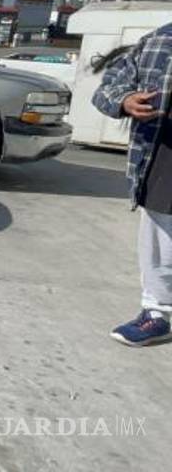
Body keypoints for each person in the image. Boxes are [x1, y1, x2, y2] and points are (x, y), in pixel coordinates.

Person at [93, 21, 172, 346]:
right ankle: (157, 314)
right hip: (162, 152)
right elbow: (107, 87)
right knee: (159, 235)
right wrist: (125, 100)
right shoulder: (157, 41)